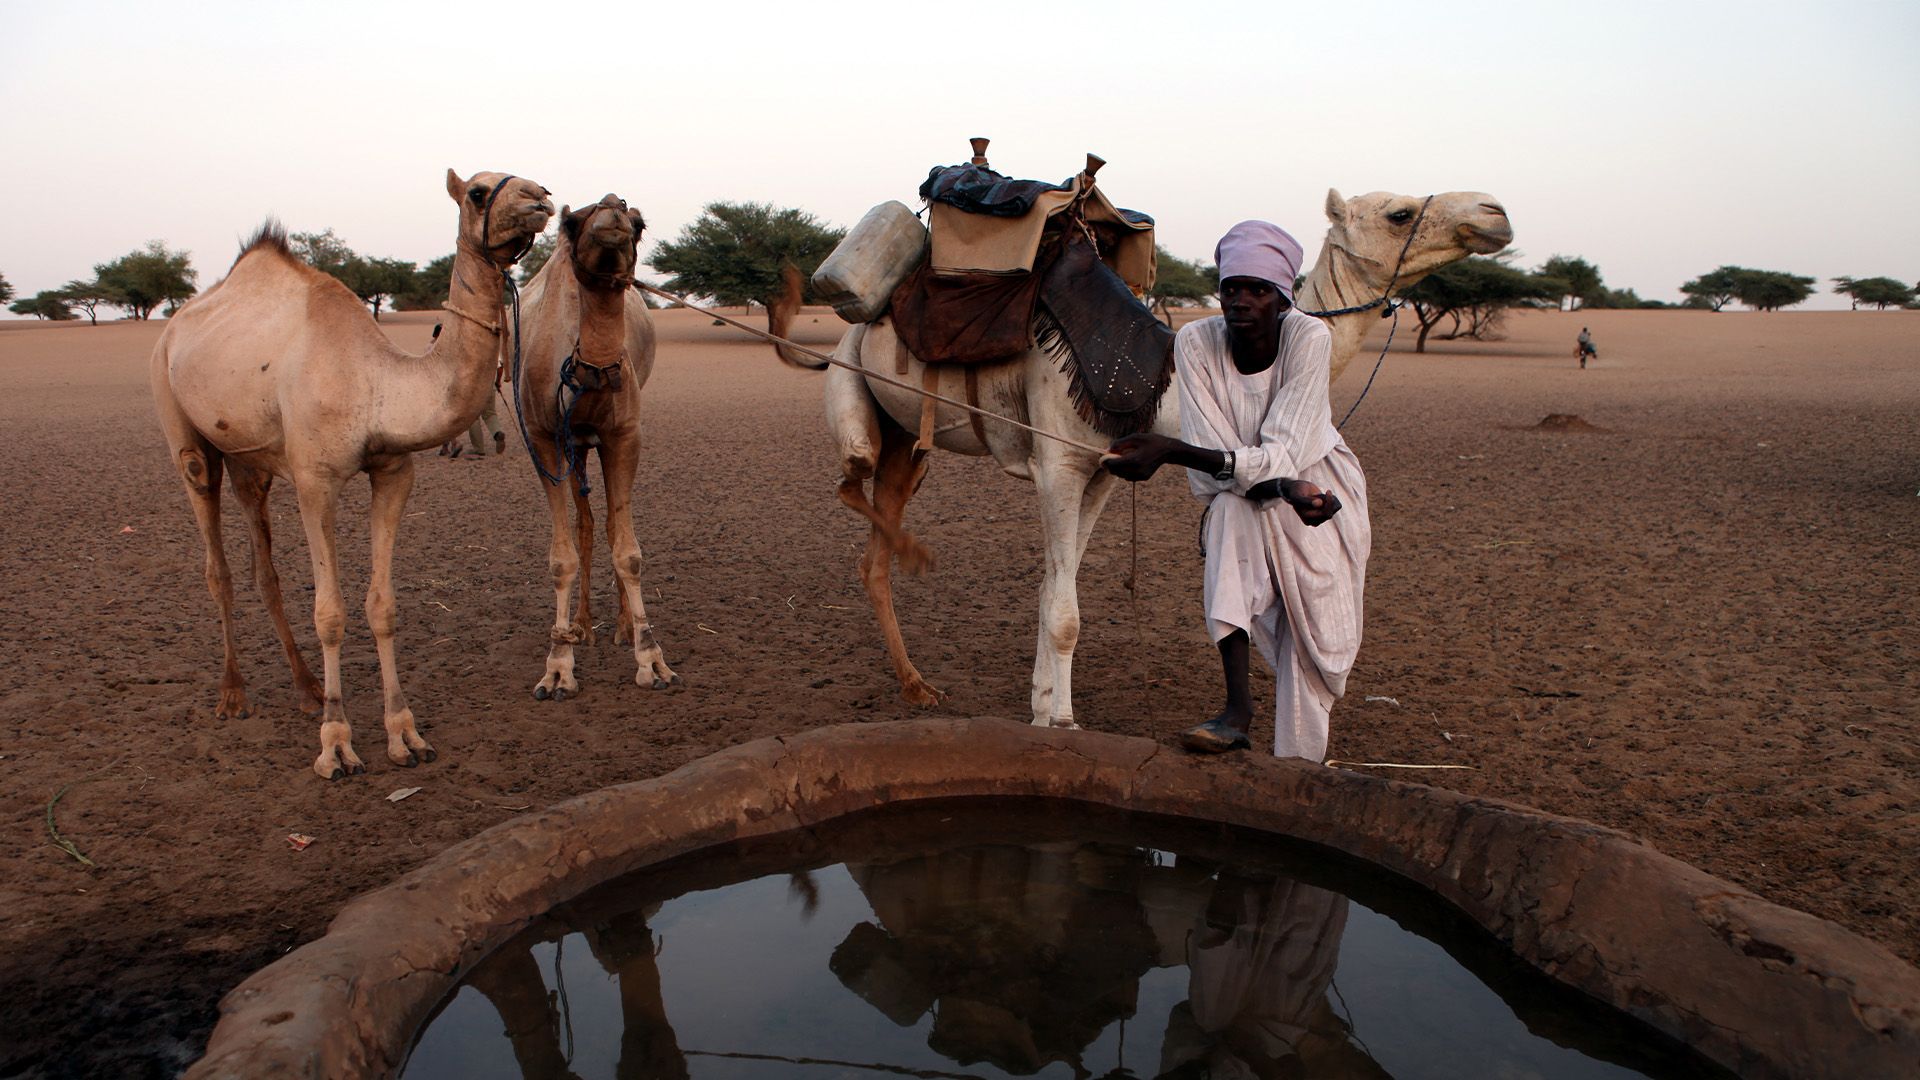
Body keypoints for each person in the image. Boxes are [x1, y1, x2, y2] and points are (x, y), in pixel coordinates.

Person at [1103, 221, 1370, 760]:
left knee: (1313, 637)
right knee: (1227, 511)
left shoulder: (1309, 338)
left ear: (1283, 298)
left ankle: (1298, 765)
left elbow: (1280, 452)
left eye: (1258, 289)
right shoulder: (1196, 342)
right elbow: (1213, 473)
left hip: (1322, 490)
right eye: (1231, 288)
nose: (1240, 300)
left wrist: (1171, 451)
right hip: (1263, 491)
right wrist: (1270, 481)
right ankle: (1237, 710)